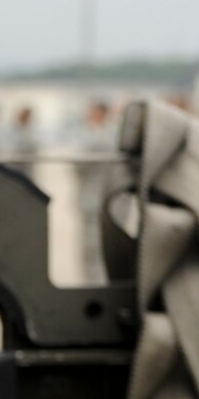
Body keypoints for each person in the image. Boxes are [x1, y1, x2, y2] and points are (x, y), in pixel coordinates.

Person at [77, 99, 122, 282]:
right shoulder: (115, 136)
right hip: (112, 200)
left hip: (93, 198)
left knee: (92, 248)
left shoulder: (95, 137)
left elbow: (80, 167)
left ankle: (94, 282)